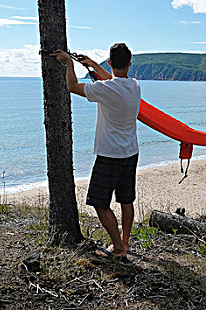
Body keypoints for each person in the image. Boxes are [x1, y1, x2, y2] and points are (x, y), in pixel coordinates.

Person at [51, 43, 140, 259]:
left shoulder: (105, 89)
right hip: (130, 152)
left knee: (99, 202)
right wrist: (91, 64)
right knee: (126, 200)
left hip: (110, 154)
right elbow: (114, 79)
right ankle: (125, 243)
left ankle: (118, 248)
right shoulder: (135, 85)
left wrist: (69, 64)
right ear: (129, 64)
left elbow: (72, 86)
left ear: (110, 62)